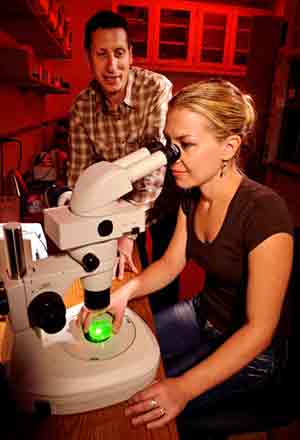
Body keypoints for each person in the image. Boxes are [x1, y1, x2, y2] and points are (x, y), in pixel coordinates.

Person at [81, 78, 294, 436]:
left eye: (186, 144)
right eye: (169, 143)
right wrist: (123, 293)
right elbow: (171, 264)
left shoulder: (266, 213)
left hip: (253, 350)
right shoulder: (191, 193)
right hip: (202, 314)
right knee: (120, 359)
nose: (172, 157)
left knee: (147, 403)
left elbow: (259, 330)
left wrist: (185, 388)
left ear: (229, 147)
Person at [67, 9, 179, 308]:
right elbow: (79, 174)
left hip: (165, 195)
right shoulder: (81, 107)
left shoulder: (156, 88)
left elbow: (158, 163)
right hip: (117, 203)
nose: (112, 66)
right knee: (124, 269)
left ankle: (163, 325)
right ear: (88, 57)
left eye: (119, 53)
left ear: (131, 54)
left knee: (165, 269)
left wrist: (128, 231)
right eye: (101, 54)